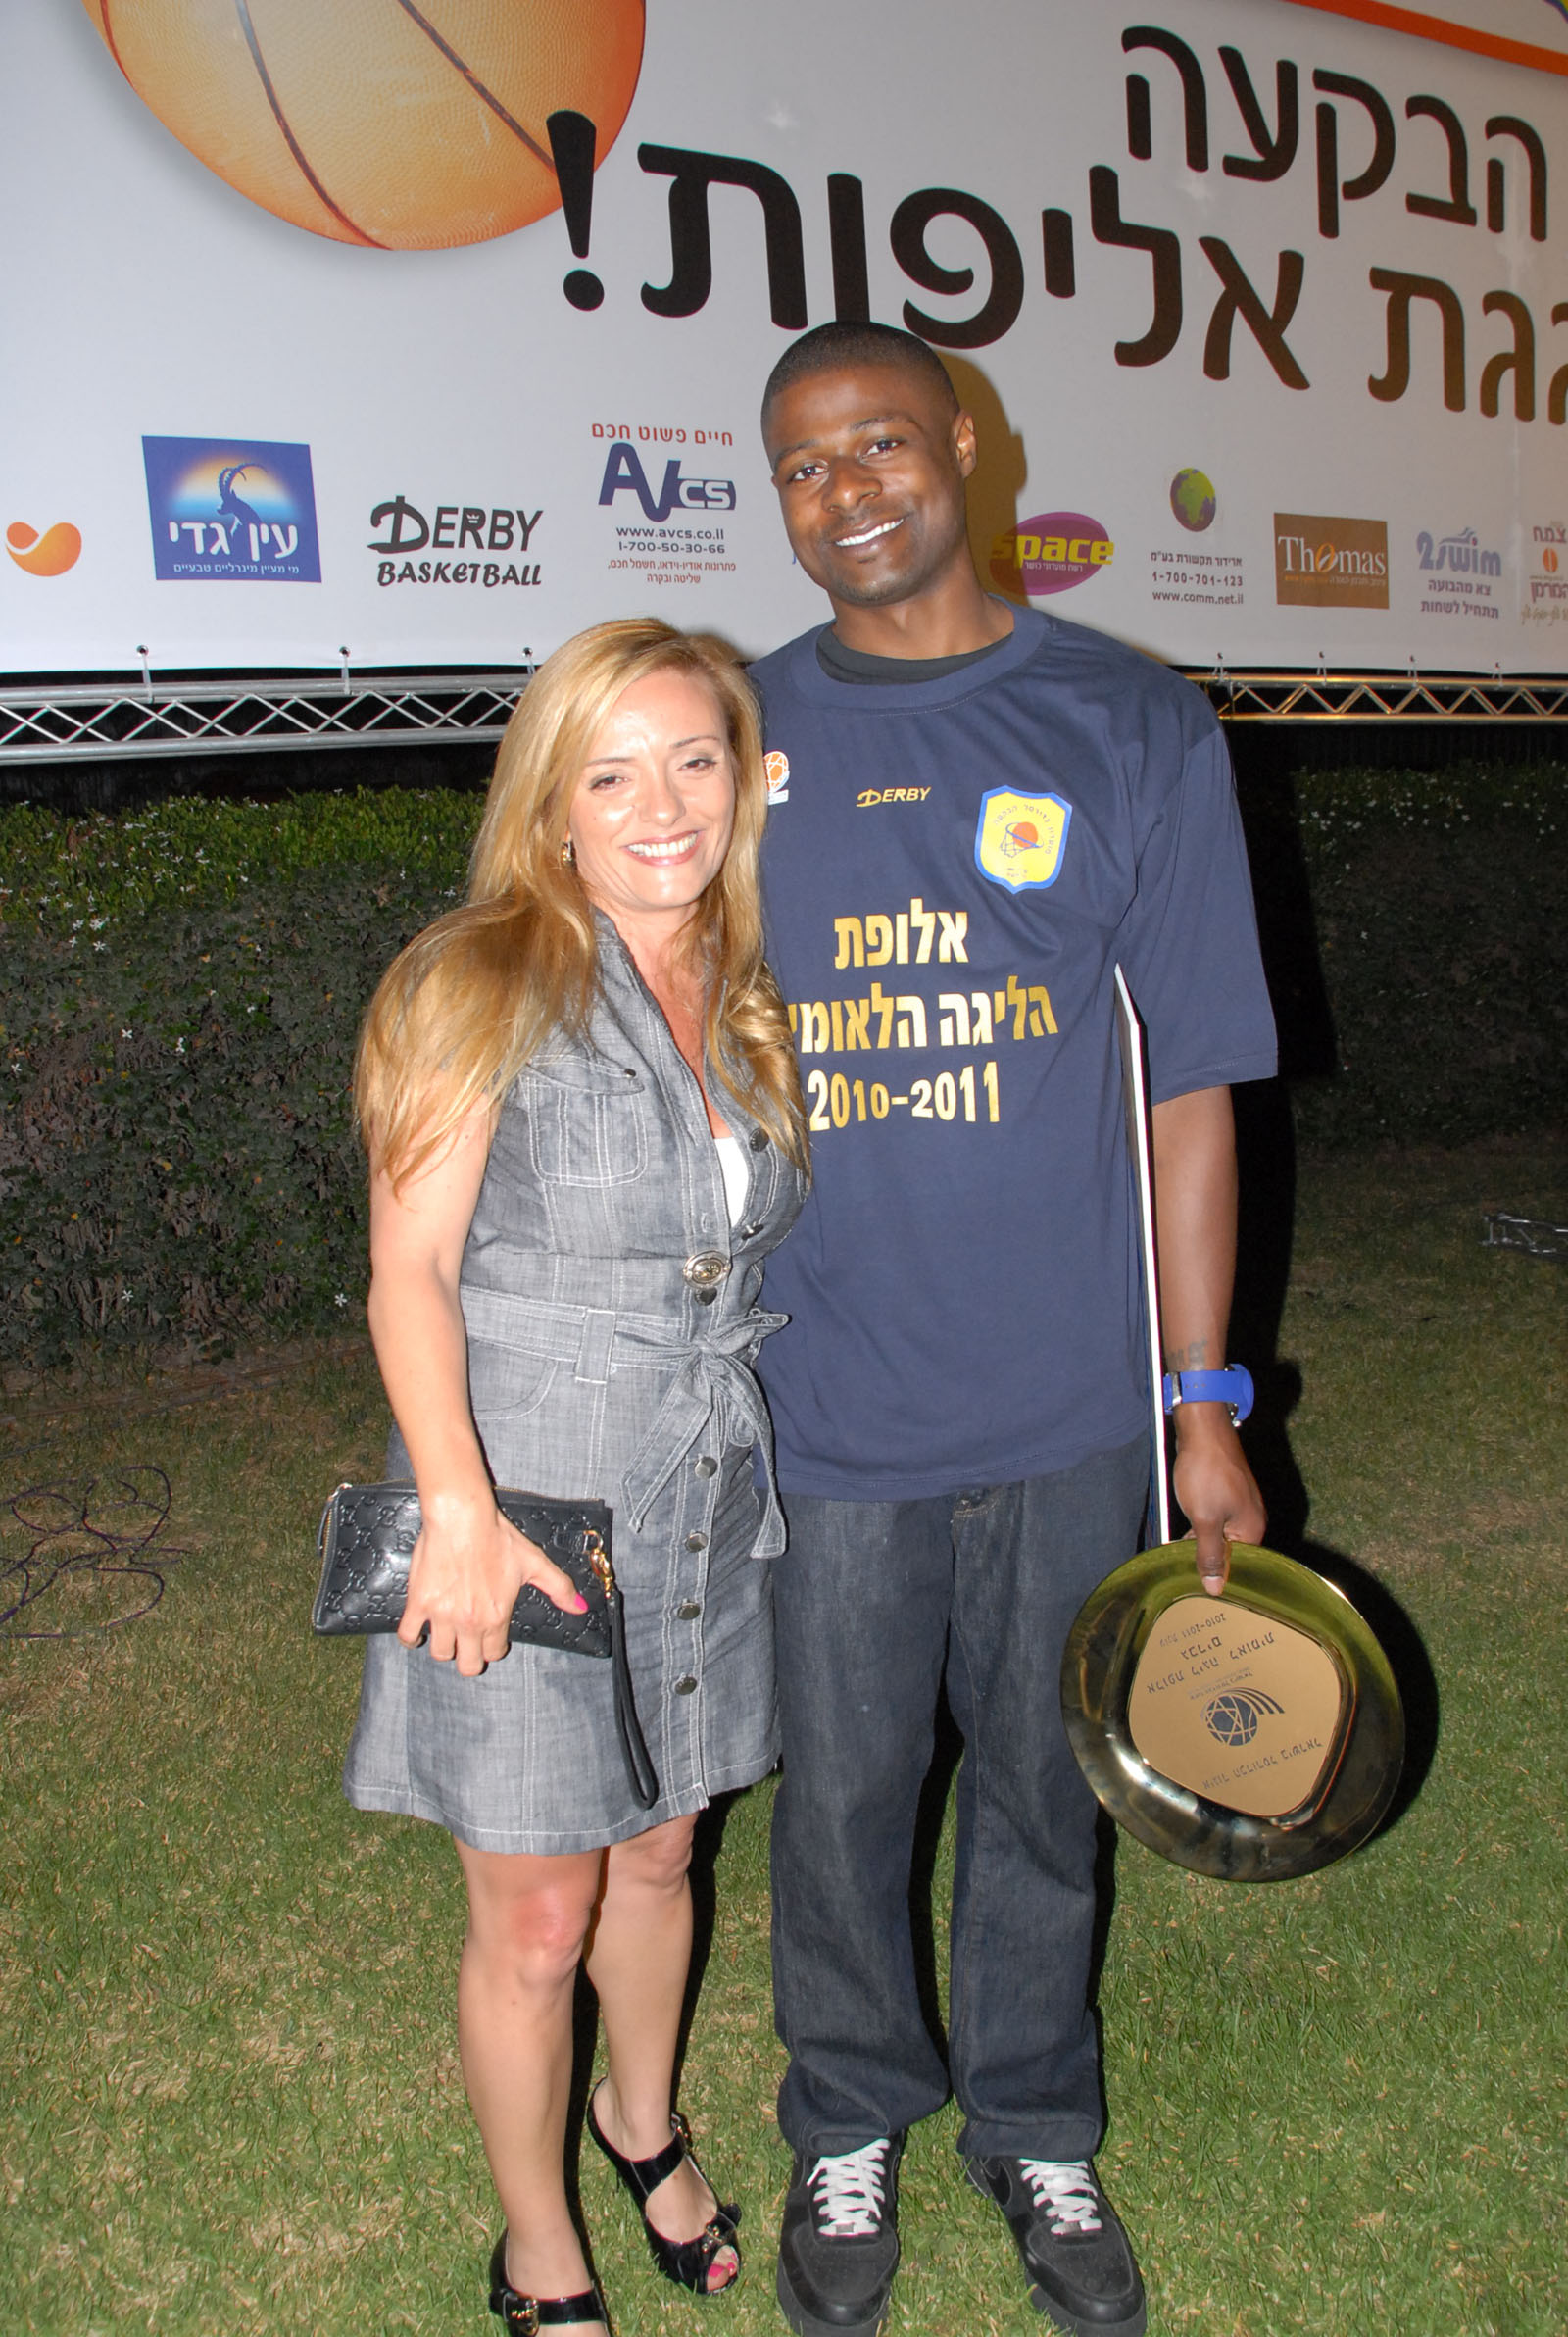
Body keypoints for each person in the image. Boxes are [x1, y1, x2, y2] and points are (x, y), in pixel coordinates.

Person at [749, 323, 1279, 2337]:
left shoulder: (1127, 721)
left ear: (963, 443)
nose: (849, 491)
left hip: (1071, 1400)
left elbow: (1190, 1085)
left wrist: (1202, 1403)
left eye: (882, 441)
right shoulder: (735, 734)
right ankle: (848, 2117)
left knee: (1052, 1790)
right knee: (842, 1802)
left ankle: (1036, 2123)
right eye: (805, 466)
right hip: (824, 1400)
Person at [342, 618, 808, 2337]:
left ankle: (641, 2119)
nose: (662, 806)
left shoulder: (748, 989)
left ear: (741, 780)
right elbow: (409, 1271)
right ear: (550, 805)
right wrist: (459, 1516)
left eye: (694, 760)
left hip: (699, 1496)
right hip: (527, 1501)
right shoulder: (478, 977)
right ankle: (538, 2241)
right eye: (610, 775)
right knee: (540, 1913)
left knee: (666, 1855)